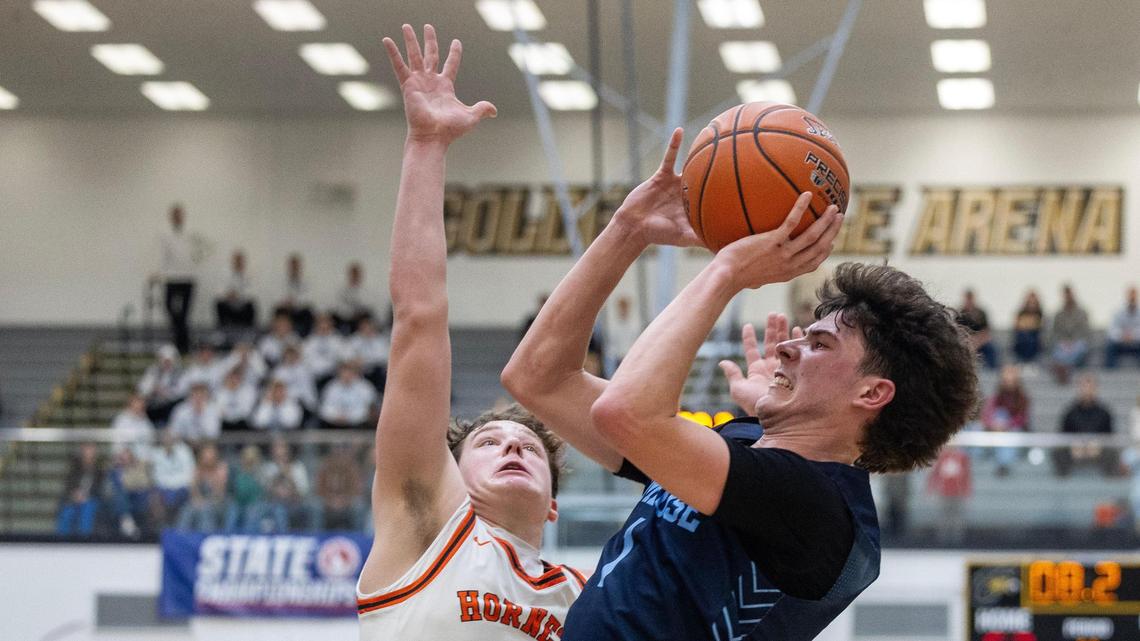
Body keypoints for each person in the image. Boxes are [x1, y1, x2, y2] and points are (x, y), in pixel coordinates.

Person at [504, 162, 979, 637]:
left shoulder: (818, 508)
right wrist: (628, 230)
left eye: (819, 345)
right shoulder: (745, 446)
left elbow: (623, 412)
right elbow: (539, 378)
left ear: (872, 393)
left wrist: (728, 270)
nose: (789, 347)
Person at [356, 26, 583, 638]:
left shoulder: (585, 598)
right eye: (488, 444)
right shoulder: (428, 521)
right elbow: (419, 316)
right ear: (448, 474)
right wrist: (427, 146)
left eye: (529, 449)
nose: (512, 447)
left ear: (554, 504)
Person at [155, 204, 202, 354]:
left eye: (179, 215)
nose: (177, 217)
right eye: (174, 215)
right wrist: (160, 274)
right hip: (172, 278)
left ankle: (181, 344)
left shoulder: (190, 233)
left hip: (188, 277)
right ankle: (183, 342)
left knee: (184, 314)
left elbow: (196, 253)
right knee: (170, 308)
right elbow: (163, 257)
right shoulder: (165, 234)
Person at [1053, 374, 1117, 477]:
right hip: (1074, 450)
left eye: (1090, 387)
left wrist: (1098, 444)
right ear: (1079, 389)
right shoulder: (1070, 412)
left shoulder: (1105, 413)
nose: (1087, 390)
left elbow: (1110, 437)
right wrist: (1073, 445)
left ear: (1096, 389)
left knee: (1113, 452)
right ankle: (1063, 480)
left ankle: (1108, 479)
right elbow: (1063, 435)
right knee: (1057, 451)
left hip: (1098, 449)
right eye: (1084, 387)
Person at [980, 364, 1031, 476]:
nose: (1008, 382)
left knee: (1007, 428)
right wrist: (994, 425)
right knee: (997, 416)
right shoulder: (995, 398)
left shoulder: (1023, 399)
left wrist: (1006, 426)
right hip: (994, 431)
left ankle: (1004, 464)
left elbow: (1022, 418)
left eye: (1011, 379)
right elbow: (986, 416)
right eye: (1006, 379)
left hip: (1013, 431)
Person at [177, 442, 229, 531]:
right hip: (200, 501)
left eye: (210, 457)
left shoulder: (221, 469)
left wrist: (204, 502)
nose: (207, 459)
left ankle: (204, 537)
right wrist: (197, 499)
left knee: (205, 511)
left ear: (215, 457)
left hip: (218, 503)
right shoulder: (198, 468)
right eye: (205, 457)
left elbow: (219, 493)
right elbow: (193, 488)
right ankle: (181, 537)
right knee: (187, 509)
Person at [56, 443, 104, 537]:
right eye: (86, 450)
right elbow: (69, 485)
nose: (88, 453)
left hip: (92, 499)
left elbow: (101, 488)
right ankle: (61, 541)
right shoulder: (74, 468)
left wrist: (86, 496)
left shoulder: (100, 469)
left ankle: (84, 540)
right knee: (67, 511)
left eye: (91, 450)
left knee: (87, 509)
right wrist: (75, 494)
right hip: (74, 499)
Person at [316, 445, 366, 530]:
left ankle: (357, 537)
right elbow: (319, 488)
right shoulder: (325, 467)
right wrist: (330, 500)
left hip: (347, 502)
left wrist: (345, 500)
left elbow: (357, 489)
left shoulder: (352, 468)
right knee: (316, 507)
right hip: (328, 502)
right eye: (336, 450)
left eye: (342, 451)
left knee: (359, 507)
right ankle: (316, 537)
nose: (339, 454)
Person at [1049, 284, 1091, 383]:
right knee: (1057, 350)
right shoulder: (1058, 314)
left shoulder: (1082, 312)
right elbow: (1054, 333)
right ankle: (1066, 366)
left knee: (1081, 346)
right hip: (1062, 344)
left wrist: (1072, 343)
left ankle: (1064, 367)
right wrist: (1064, 342)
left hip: (1077, 343)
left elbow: (1085, 332)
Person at [317, 361, 377, 430]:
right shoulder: (332, 387)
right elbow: (325, 407)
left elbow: (369, 409)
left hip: (358, 423)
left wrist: (349, 417)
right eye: (344, 372)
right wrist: (336, 416)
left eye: (349, 372)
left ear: (355, 373)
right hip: (334, 422)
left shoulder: (365, 387)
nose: (346, 375)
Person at [137, 344, 186, 424]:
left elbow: (181, 391)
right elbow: (143, 388)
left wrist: (165, 392)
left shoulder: (180, 373)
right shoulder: (153, 371)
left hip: (171, 407)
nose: (167, 364)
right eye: (164, 361)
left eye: (169, 361)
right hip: (154, 406)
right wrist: (153, 389)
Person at [215, 249, 257, 338]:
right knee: (219, 304)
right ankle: (222, 332)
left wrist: (239, 295)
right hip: (229, 304)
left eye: (240, 260)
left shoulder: (249, 275)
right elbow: (219, 291)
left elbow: (252, 293)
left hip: (243, 305)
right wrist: (227, 294)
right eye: (236, 260)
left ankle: (249, 333)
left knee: (251, 305)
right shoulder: (225, 273)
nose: (238, 263)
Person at [274, 253, 316, 337]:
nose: (294, 268)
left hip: (300, 309)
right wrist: (286, 302)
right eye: (292, 266)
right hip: (287, 308)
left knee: (308, 313)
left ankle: (304, 337)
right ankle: (280, 335)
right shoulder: (282, 280)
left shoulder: (306, 280)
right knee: (278, 311)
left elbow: (308, 298)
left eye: (296, 266)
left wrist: (296, 303)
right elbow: (278, 295)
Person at [957, 288, 998, 369]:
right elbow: (957, 331)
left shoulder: (981, 313)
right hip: (966, 342)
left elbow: (986, 331)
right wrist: (969, 341)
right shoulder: (959, 313)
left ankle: (991, 371)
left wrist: (977, 342)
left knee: (991, 348)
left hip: (981, 341)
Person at [334, 261, 378, 334]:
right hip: (347, 318)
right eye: (352, 274)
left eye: (356, 274)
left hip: (361, 317)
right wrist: (349, 313)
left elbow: (369, 306)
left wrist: (358, 312)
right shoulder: (343, 290)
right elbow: (339, 307)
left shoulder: (366, 290)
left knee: (367, 317)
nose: (354, 276)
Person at [1106, 285, 1140, 369]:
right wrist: (1122, 335)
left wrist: (1132, 335)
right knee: (1109, 346)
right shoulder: (1118, 312)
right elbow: (1112, 330)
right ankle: (1111, 375)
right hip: (1120, 344)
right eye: (1130, 295)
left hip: (1136, 344)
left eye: (1134, 295)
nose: (1132, 297)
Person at [1012, 289, 1044, 363]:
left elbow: (1039, 325)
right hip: (1021, 337)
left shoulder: (1040, 312)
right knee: (1024, 337)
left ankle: (1028, 361)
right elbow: (1017, 326)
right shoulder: (1020, 312)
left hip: (1035, 337)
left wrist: (1027, 325)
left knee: (1031, 340)